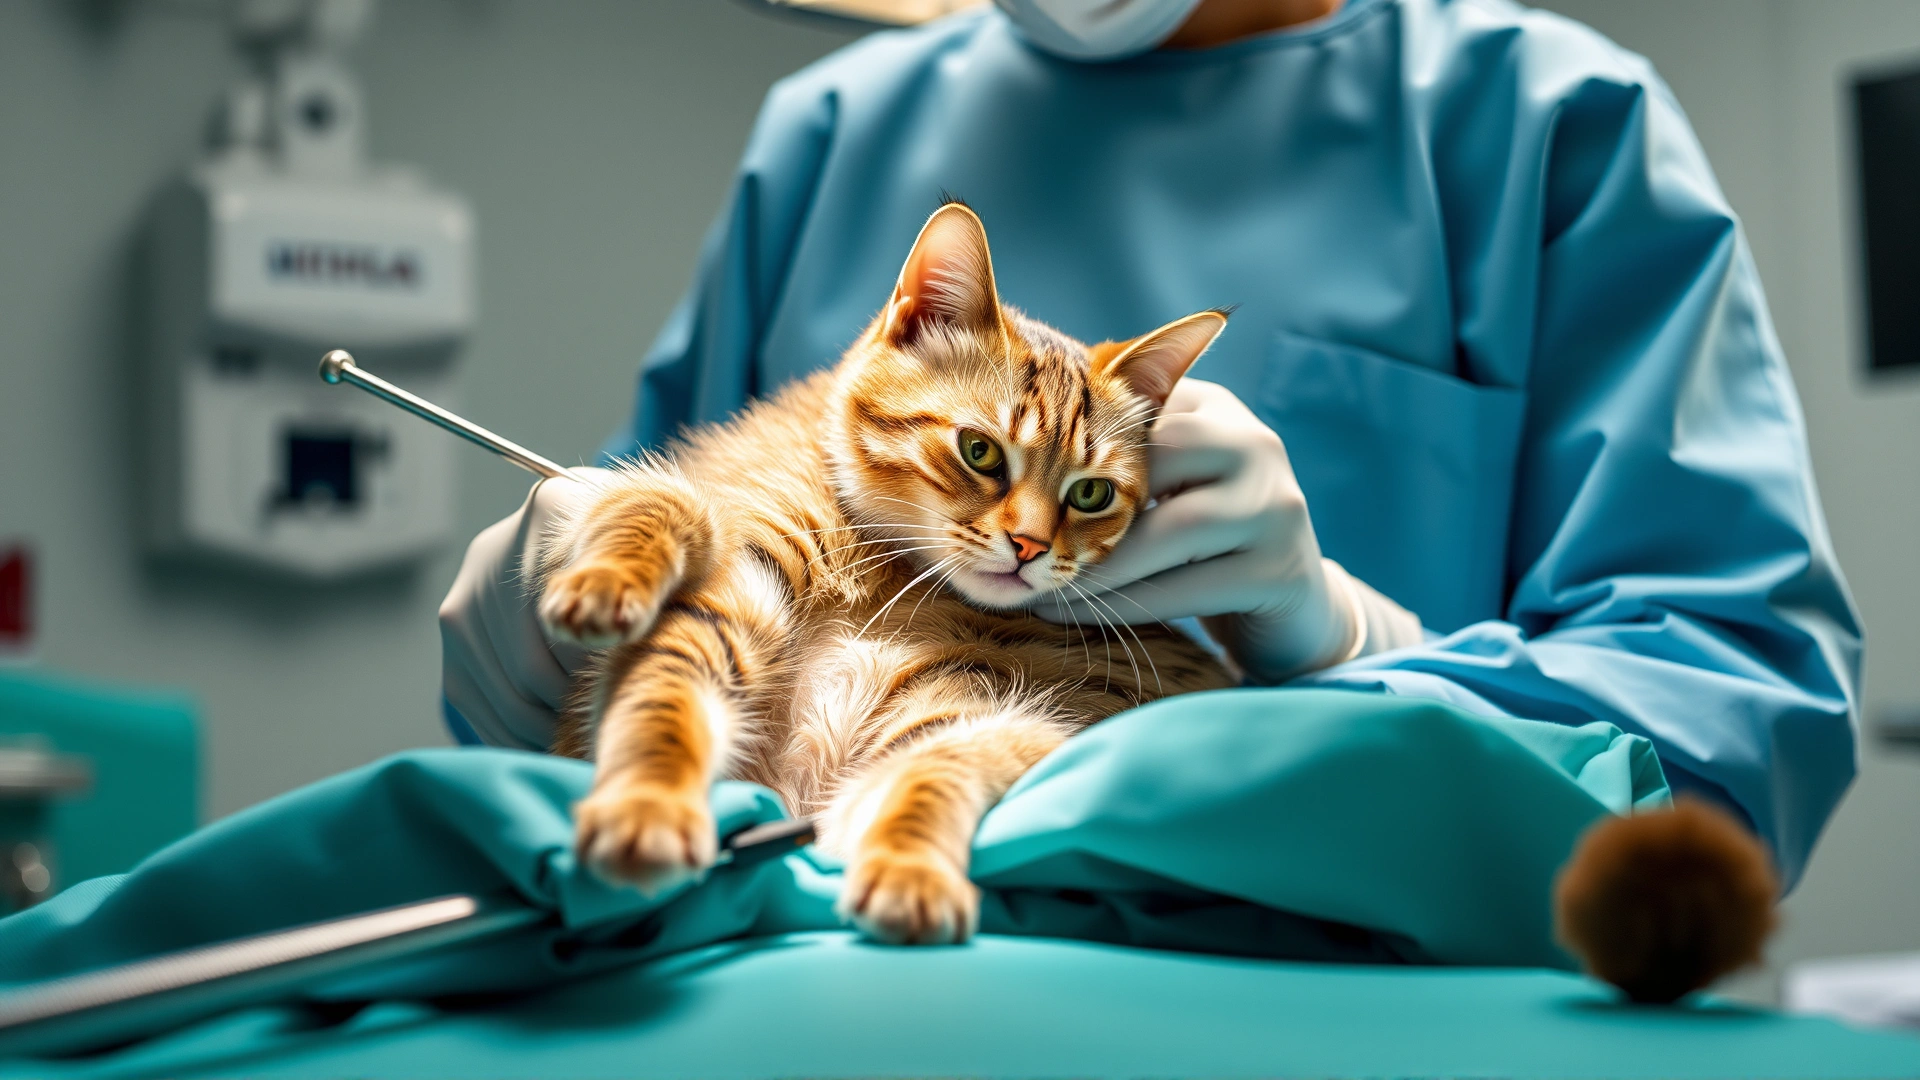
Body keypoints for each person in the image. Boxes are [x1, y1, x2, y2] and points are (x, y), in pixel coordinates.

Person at [440, 0, 1861, 890]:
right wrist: (559, 635)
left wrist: (1348, 650)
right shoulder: (831, 132)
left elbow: (1735, 746)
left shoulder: (1540, 123)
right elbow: (661, 595)